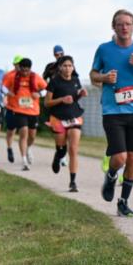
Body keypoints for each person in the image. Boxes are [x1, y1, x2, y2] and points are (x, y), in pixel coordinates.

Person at [90, 8, 133, 217]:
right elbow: (93, 75)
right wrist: (104, 78)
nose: (124, 27)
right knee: (119, 157)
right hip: (112, 111)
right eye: (120, 24)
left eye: (128, 24)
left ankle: (124, 201)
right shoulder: (104, 49)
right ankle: (111, 176)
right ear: (114, 27)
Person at [45, 55, 87, 192]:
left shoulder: (76, 80)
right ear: (60, 68)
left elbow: (74, 98)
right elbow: (47, 103)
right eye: (65, 66)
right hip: (58, 118)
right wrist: (62, 99)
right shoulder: (54, 82)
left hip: (74, 116)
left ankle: (73, 181)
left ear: (73, 67)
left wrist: (81, 95)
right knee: (62, 149)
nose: (68, 68)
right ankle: (58, 156)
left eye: (70, 65)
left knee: (73, 149)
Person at [2, 58, 46, 170]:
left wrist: (40, 94)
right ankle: (24, 161)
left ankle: (29, 148)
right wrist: (9, 92)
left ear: (30, 69)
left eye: (27, 70)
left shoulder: (35, 77)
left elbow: (46, 88)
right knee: (23, 132)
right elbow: (3, 87)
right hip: (19, 110)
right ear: (19, 68)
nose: (25, 73)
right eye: (23, 70)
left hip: (33, 110)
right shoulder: (13, 76)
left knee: (32, 136)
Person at [3, 55, 24, 163]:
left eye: (21, 64)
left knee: (23, 131)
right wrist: (7, 94)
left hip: (24, 109)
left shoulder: (27, 75)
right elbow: (3, 88)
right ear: (14, 64)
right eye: (17, 64)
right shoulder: (9, 75)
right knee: (11, 131)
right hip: (11, 107)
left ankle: (25, 153)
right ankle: (9, 148)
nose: (19, 66)